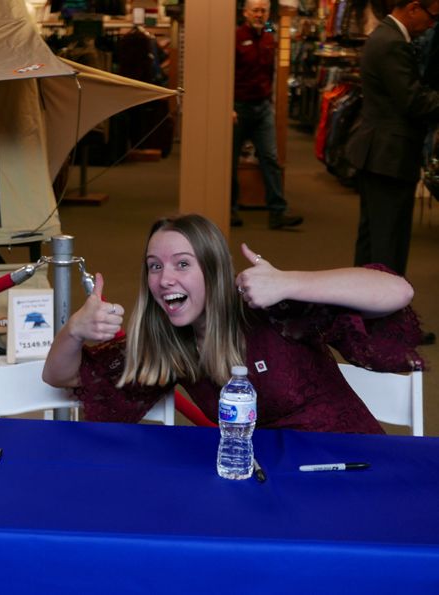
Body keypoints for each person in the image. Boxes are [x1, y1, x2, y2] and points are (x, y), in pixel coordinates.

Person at [42, 214, 423, 434]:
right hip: (268, 484)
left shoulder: (270, 309)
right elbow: (61, 376)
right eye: (155, 266)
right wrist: (74, 329)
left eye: (182, 264)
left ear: (214, 271)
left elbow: (397, 292)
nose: (165, 278)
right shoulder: (174, 345)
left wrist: (291, 281)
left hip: (349, 468)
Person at [348, 0, 439, 277]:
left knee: (374, 237)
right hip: (389, 154)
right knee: (389, 241)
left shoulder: (386, 36)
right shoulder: (392, 42)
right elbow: (413, 101)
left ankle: (363, 308)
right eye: (432, 15)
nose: (433, 23)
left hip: (381, 152)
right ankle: (384, 314)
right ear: (413, 8)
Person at [231, 0, 304, 230]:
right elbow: (226, 73)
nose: (259, 14)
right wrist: (227, 107)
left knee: (271, 159)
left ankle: (277, 213)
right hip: (238, 108)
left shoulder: (269, 36)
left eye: (263, 11)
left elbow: (271, 71)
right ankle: (230, 210)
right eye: (255, 10)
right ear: (245, 13)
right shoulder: (235, 36)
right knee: (230, 162)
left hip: (262, 108)